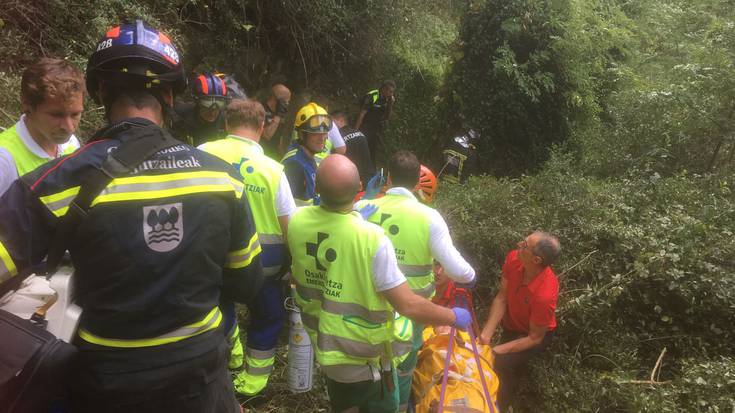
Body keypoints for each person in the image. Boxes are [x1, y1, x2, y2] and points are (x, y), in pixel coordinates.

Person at [0, 20, 263, 412]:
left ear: (101, 91)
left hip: (108, 381)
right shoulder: (221, 177)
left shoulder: (53, 183)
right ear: (171, 95)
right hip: (201, 374)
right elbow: (246, 281)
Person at [287, 154, 473, 413]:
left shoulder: (296, 220)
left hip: (324, 343)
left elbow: (334, 242)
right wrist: (452, 316)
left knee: (344, 404)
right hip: (364, 353)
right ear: (359, 186)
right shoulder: (372, 238)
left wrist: (360, 206)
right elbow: (407, 304)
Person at [357, 150, 475, 412]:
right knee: (401, 370)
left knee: (368, 364)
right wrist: (470, 276)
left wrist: (366, 199)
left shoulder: (362, 207)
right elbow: (459, 270)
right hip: (410, 312)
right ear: (415, 184)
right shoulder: (429, 217)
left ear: (387, 177)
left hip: (364, 304)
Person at [198, 98, 296, 398]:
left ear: (226, 123)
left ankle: (231, 358)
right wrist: (294, 265)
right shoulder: (273, 169)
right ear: (262, 126)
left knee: (219, 303)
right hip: (263, 263)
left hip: (211, 254)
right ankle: (253, 383)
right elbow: (288, 224)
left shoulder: (201, 153)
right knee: (267, 316)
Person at [479, 231, 561, 412]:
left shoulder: (545, 293)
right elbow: (502, 298)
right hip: (512, 324)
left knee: (501, 365)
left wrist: (495, 351)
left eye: (525, 245)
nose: (518, 245)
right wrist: (486, 335)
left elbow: (534, 338)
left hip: (534, 334)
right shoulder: (514, 259)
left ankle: (499, 407)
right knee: (491, 358)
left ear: (536, 260)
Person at [0, 58, 84, 196]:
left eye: (75, 114)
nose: (69, 128)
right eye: (56, 115)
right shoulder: (4, 160)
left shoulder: (72, 143)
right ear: (27, 104)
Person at [281, 102, 331, 206]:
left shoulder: (308, 157)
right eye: (315, 134)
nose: (322, 138)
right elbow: (292, 211)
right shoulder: (294, 165)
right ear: (301, 134)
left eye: (324, 133)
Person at [172, 72, 239, 146]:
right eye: (207, 102)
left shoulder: (229, 121)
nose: (213, 110)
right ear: (196, 101)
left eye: (220, 102)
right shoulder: (179, 115)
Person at [354, 80, 396, 164]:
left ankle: (371, 170)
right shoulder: (372, 95)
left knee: (372, 151)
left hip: (375, 129)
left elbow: (387, 117)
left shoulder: (388, 99)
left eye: (393, 92)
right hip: (364, 126)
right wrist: (355, 130)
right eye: (390, 91)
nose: (391, 94)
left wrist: (391, 104)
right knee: (361, 148)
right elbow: (362, 113)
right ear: (384, 89)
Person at [331, 110, 374, 186]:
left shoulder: (337, 140)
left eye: (332, 122)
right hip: (369, 179)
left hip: (352, 182)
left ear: (341, 120)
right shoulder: (361, 134)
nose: (331, 127)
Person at [260, 84, 291, 159]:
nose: (287, 105)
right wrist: (277, 116)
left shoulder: (280, 114)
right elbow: (266, 135)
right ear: (276, 99)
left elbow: (279, 138)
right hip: (261, 154)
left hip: (273, 156)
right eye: (285, 102)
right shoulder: (260, 109)